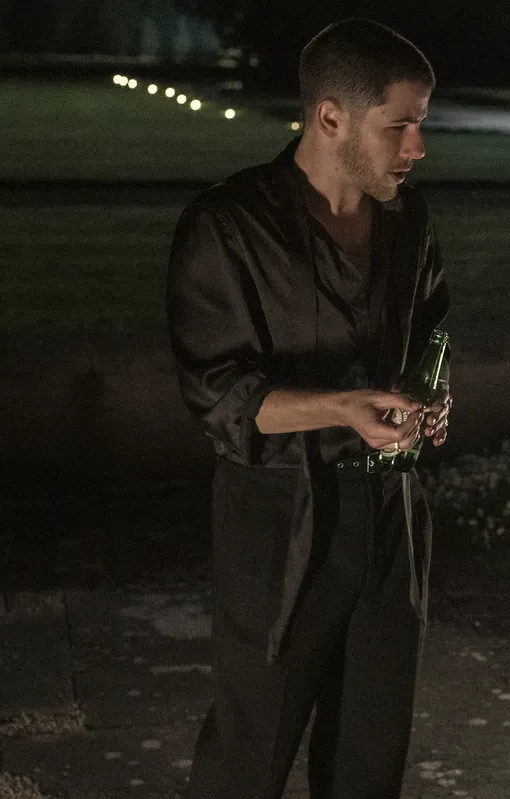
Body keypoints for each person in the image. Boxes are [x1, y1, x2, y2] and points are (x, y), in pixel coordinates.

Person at [166, 18, 450, 798]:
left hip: (392, 519)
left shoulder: (410, 221)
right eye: (400, 126)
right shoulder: (228, 226)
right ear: (330, 117)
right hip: (280, 526)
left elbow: (430, 331)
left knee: (370, 758)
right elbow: (219, 396)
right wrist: (342, 407)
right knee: (248, 757)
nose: (419, 146)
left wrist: (430, 396)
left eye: (422, 123)